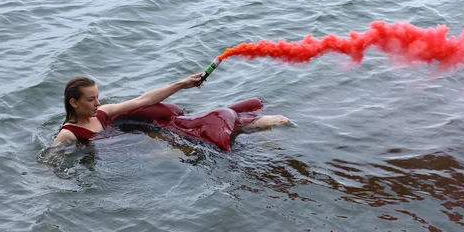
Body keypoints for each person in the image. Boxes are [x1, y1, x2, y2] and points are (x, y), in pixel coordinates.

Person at [53, 74, 289, 149]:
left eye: (98, 97)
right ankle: (252, 134)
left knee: (184, 138)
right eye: (91, 99)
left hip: (134, 142)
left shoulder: (103, 113)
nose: (98, 103)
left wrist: (181, 84)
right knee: (179, 150)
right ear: (74, 103)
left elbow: (144, 99)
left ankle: (251, 130)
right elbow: (51, 163)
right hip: (120, 158)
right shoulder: (68, 135)